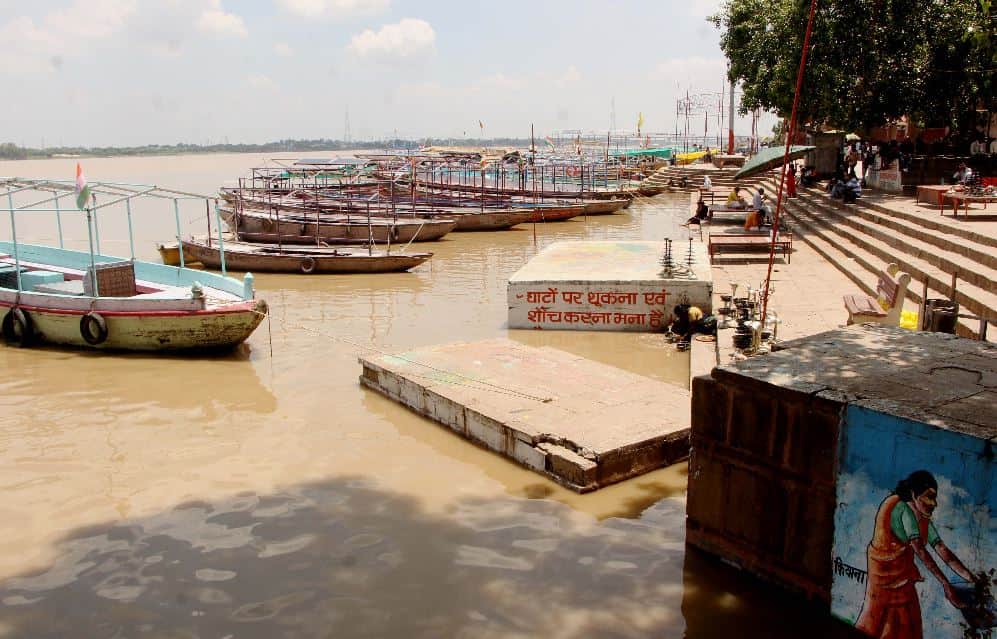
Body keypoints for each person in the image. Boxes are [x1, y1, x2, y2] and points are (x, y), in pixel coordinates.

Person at [855, 470, 978, 639]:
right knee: (877, 622)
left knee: (908, 624)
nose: (934, 503)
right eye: (929, 497)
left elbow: (941, 549)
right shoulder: (902, 508)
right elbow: (920, 550)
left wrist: (972, 579)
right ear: (914, 494)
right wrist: (945, 584)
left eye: (934, 498)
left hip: (903, 580)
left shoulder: (921, 517)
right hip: (884, 579)